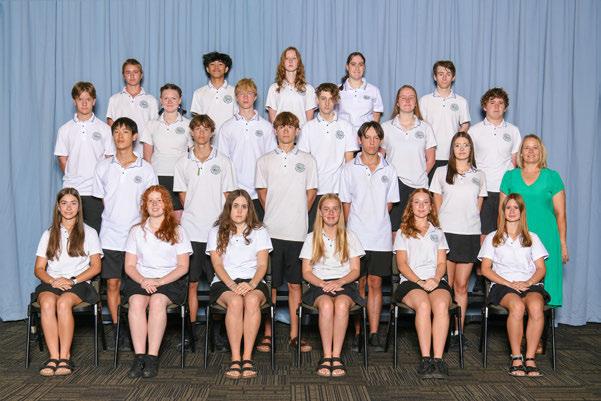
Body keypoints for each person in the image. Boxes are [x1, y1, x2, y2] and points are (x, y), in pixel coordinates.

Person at [255, 111, 318, 354]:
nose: (285, 130)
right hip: (271, 232)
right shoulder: (264, 160)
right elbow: (262, 194)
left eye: (290, 127)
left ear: (297, 131)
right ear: (275, 130)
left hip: (297, 233)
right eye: (281, 126)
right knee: (270, 285)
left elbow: (311, 194)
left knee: (294, 285)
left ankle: (295, 334)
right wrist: (275, 212)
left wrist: (297, 213)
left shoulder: (308, 160)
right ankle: (268, 334)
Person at [93, 117, 158, 348]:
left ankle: (137, 328)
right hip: (110, 236)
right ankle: (118, 329)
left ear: (135, 136)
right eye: (116, 132)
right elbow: (102, 200)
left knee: (137, 287)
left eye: (125, 132)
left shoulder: (146, 168)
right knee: (112, 285)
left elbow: (152, 203)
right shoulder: (103, 167)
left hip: (137, 239)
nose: (120, 136)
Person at [173, 114, 236, 347]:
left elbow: (229, 196)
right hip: (190, 232)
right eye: (197, 128)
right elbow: (183, 196)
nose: (201, 133)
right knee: (190, 284)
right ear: (191, 132)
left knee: (218, 283)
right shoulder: (182, 162)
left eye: (205, 129)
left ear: (212, 132)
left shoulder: (224, 161)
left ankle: (218, 333)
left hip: (216, 233)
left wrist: (221, 226)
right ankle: (189, 333)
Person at [339, 121, 399, 351]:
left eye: (376, 138)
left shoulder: (389, 169)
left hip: (380, 236)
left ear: (380, 140)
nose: (372, 142)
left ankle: (373, 332)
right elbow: (346, 204)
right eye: (367, 137)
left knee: (375, 283)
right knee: (359, 283)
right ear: (360, 140)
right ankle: (358, 332)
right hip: (356, 236)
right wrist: (352, 232)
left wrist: (376, 220)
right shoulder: (349, 168)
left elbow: (389, 204)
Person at [123, 185, 192, 378]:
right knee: (136, 302)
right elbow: (129, 266)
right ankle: (139, 357)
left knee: (157, 301)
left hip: (169, 280)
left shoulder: (178, 230)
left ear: (166, 204)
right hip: (141, 279)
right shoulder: (136, 231)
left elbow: (183, 267)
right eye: (150, 201)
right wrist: (143, 280)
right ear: (145, 205)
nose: (154, 204)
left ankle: (152, 358)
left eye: (159, 200)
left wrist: (159, 282)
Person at [478, 193, 550, 377]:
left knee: (536, 306)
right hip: (503, 285)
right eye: (508, 207)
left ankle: (530, 358)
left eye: (515, 207)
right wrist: (509, 283)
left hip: (528, 284)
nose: (511, 211)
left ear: (521, 211)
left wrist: (528, 282)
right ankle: (516, 358)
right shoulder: (493, 237)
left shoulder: (532, 237)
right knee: (517, 306)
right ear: (503, 211)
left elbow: (541, 268)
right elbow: (485, 269)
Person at [34, 188, 102, 376]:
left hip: (79, 282)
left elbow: (96, 267)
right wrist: (53, 281)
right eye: (64, 203)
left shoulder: (90, 232)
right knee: (48, 303)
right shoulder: (48, 234)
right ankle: (53, 357)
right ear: (58, 207)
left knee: (63, 303)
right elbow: (38, 268)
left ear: (79, 207)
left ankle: (65, 357)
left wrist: (72, 281)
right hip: (53, 282)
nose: (69, 207)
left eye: (73, 203)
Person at [206, 190, 273, 379]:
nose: (239, 211)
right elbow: (217, 264)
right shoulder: (216, 231)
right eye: (235, 206)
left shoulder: (259, 231)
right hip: (224, 282)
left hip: (253, 281)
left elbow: (262, 265)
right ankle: (235, 358)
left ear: (249, 209)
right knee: (235, 302)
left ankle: (247, 357)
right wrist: (232, 285)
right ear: (229, 208)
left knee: (251, 301)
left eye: (244, 206)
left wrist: (251, 284)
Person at [430, 132, 487, 345]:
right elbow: (436, 205)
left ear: (471, 149)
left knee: (461, 286)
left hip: (469, 234)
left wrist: (471, 225)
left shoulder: (479, 175)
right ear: (452, 149)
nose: (462, 149)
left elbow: (477, 207)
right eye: (457, 145)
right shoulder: (441, 172)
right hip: (447, 234)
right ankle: (443, 331)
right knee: (447, 285)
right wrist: (440, 230)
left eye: (465, 145)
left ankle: (458, 332)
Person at [300, 194, 365, 377]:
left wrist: (340, 282)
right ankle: (326, 356)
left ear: (340, 213)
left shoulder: (350, 236)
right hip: (318, 284)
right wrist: (323, 284)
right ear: (320, 213)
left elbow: (355, 270)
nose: (331, 213)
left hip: (345, 283)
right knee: (327, 305)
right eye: (326, 209)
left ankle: (336, 357)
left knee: (342, 304)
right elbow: (306, 272)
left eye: (335, 209)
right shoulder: (311, 238)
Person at [500, 135, 568, 308]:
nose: (531, 151)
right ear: (521, 153)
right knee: (517, 284)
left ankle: (541, 322)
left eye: (535, 147)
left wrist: (562, 243)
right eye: (526, 148)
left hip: (547, 236)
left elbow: (560, 214)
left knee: (548, 284)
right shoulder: (510, 176)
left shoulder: (552, 177)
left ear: (541, 152)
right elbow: (502, 211)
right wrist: (500, 239)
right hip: (517, 237)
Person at [393, 188, 452, 379]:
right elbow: (402, 265)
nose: (421, 206)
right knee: (424, 305)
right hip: (411, 281)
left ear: (431, 207)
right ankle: (425, 359)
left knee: (441, 305)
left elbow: (442, 263)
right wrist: (419, 281)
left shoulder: (438, 232)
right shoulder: (402, 232)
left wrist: (435, 279)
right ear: (411, 206)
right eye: (416, 202)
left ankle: (438, 360)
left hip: (435, 280)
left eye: (425, 202)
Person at [54, 82, 114, 233]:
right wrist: (73, 177)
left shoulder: (105, 129)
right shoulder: (65, 129)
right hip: (72, 192)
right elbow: (62, 159)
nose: (84, 103)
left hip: (96, 192)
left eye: (88, 99)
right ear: (74, 101)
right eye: (80, 99)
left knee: (95, 234)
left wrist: (102, 186)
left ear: (94, 101)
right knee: (70, 234)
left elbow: (109, 159)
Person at [298, 83, 358, 230]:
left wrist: (349, 190)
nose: (326, 103)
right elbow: (303, 161)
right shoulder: (308, 128)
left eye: (331, 99)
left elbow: (349, 161)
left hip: (338, 190)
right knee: (313, 234)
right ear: (317, 100)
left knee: (339, 235)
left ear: (336, 100)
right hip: (314, 190)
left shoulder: (346, 126)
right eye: (323, 98)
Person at [217, 78, 277, 220]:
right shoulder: (226, 127)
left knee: (260, 231)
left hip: (260, 193)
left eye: (249, 93)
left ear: (255, 97)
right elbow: (222, 163)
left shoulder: (266, 127)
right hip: (235, 192)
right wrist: (227, 192)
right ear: (236, 97)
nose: (245, 97)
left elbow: (272, 161)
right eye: (241, 93)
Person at [381, 85, 436, 235]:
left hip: (419, 186)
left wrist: (419, 175)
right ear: (397, 102)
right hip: (395, 185)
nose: (407, 100)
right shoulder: (386, 127)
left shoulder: (425, 128)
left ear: (415, 103)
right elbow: (380, 159)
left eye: (411, 97)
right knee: (394, 230)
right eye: (403, 97)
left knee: (418, 229)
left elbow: (431, 159)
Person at [469, 88, 521, 236]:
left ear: (505, 108)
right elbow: (468, 162)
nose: (497, 106)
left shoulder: (513, 131)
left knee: (505, 233)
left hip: (506, 191)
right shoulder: (474, 131)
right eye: (492, 102)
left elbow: (516, 161)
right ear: (484, 106)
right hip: (482, 190)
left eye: (501, 103)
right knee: (482, 235)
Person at [140, 83, 191, 220]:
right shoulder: (151, 125)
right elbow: (147, 158)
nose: (169, 102)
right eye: (166, 98)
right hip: (158, 176)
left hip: (180, 177)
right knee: (158, 218)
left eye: (173, 98)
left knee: (179, 219)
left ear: (180, 100)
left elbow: (193, 155)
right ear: (161, 100)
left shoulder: (188, 125)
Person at [419, 60, 470, 178]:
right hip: (429, 157)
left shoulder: (461, 101)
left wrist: (456, 145)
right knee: (427, 189)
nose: (444, 77)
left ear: (453, 77)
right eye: (441, 74)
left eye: (448, 74)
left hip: (452, 157)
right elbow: (420, 126)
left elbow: (465, 124)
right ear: (435, 77)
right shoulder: (424, 100)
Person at [106, 58, 159, 155]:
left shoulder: (151, 100)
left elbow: (155, 128)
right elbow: (111, 127)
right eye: (128, 72)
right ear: (123, 76)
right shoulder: (114, 99)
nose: (132, 75)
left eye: (135, 72)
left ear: (141, 75)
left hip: (144, 153)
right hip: (121, 153)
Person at [265, 46, 316, 126]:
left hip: (301, 132)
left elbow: (309, 123)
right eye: (287, 58)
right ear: (283, 62)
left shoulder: (309, 89)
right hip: (281, 132)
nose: (290, 61)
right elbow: (273, 121)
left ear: (298, 62)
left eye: (294, 58)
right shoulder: (274, 88)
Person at [337, 52, 384, 133]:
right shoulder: (337, 90)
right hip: (343, 135)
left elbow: (376, 118)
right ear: (347, 67)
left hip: (365, 137)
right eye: (353, 64)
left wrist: (369, 136)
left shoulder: (374, 90)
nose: (357, 68)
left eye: (360, 64)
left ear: (364, 67)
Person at [190, 52, 237, 132]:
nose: (216, 67)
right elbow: (197, 120)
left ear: (226, 69)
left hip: (230, 135)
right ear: (207, 69)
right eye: (212, 64)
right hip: (206, 137)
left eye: (220, 64)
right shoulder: (199, 93)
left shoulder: (236, 92)